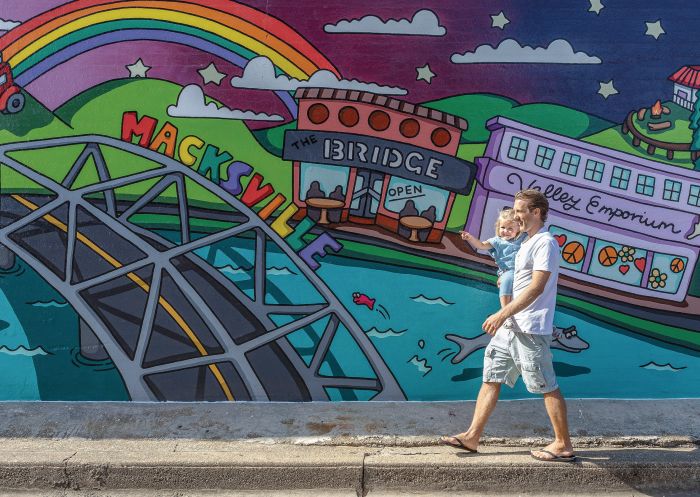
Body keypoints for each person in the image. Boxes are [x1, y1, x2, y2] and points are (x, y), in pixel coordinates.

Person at [441, 189, 576, 463]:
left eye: (520, 211)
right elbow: (519, 279)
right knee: (491, 376)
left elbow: (537, 287)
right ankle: (472, 436)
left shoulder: (545, 243)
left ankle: (563, 444)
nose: (516, 216)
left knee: (545, 384)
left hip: (530, 328)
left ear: (536, 212)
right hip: (512, 326)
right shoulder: (526, 242)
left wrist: (502, 313)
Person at [460, 207, 527, 310]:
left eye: (510, 229)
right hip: (509, 270)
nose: (505, 231)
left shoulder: (523, 237)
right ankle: (505, 310)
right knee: (507, 280)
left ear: (518, 228)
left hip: (523, 270)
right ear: (498, 227)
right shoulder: (497, 241)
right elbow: (481, 245)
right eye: (503, 227)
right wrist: (470, 238)